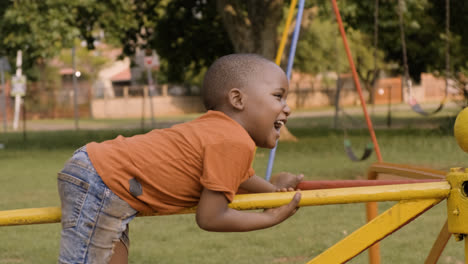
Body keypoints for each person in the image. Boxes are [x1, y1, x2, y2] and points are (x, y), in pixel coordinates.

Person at [57, 53, 303, 264]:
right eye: (278, 96)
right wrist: (269, 218)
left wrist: (274, 190)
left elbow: (240, 179)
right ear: (238, 99)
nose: (287, 107)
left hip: (103, 175)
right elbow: (210, 217)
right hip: (104, 181)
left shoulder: (219, 132)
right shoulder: (233, 141)